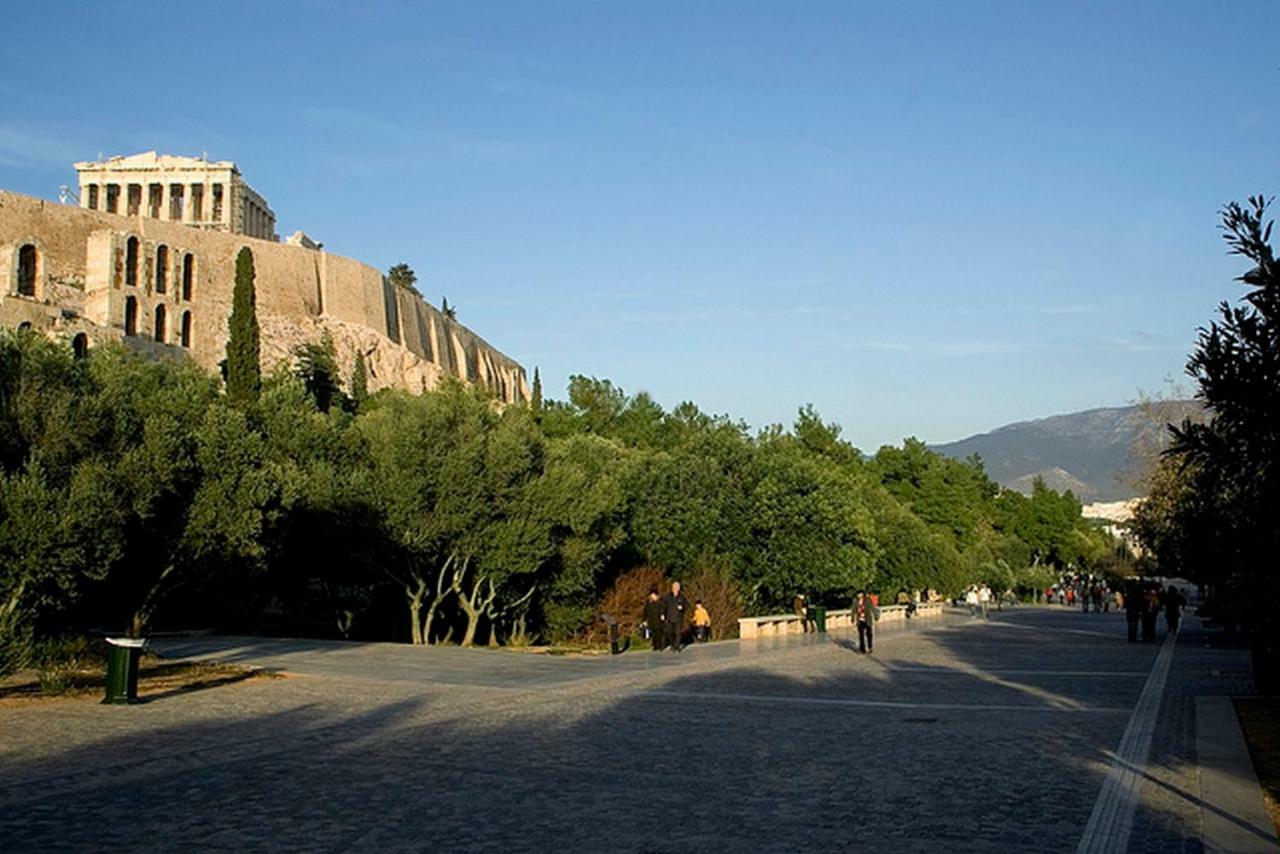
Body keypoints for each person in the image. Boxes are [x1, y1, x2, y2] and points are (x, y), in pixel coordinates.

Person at [662, 580, 690, 651]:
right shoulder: (667, 596)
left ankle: (676, 646)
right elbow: (663, 606)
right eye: (675, 586)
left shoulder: (682, 596)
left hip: (678, 618)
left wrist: (682, 608)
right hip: (669, 617)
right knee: (669, 632)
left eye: (678, 586)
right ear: (672, 587)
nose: (677, 588)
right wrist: (662, 614)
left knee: (678, 633)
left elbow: (687, 605)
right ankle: (673, 643)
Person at [854, 589, 879, 653]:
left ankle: (870, 647)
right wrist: (852, 618)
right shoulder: (856, 601)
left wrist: (876, 615)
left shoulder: (868, 600)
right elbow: (853, 609)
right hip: (860, 620)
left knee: (869, 634)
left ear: (863, 594)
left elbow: (872, 608)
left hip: (867, 620)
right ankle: (862, 649)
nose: (859, 595)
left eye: (860, 594)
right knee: (861, 635)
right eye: (858, 594)